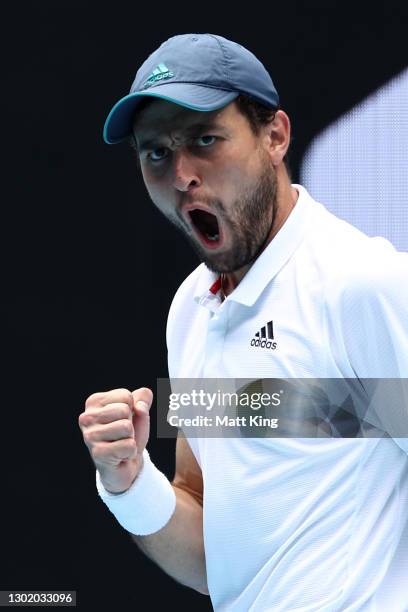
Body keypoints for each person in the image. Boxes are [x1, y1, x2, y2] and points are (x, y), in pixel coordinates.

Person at [78, 34, 408, 610]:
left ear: (274, 136)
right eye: (156, 152)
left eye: (205, 140)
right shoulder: (191, 308)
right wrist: (129, 482)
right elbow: (212, 552)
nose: (181, 174)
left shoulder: (363, 286)